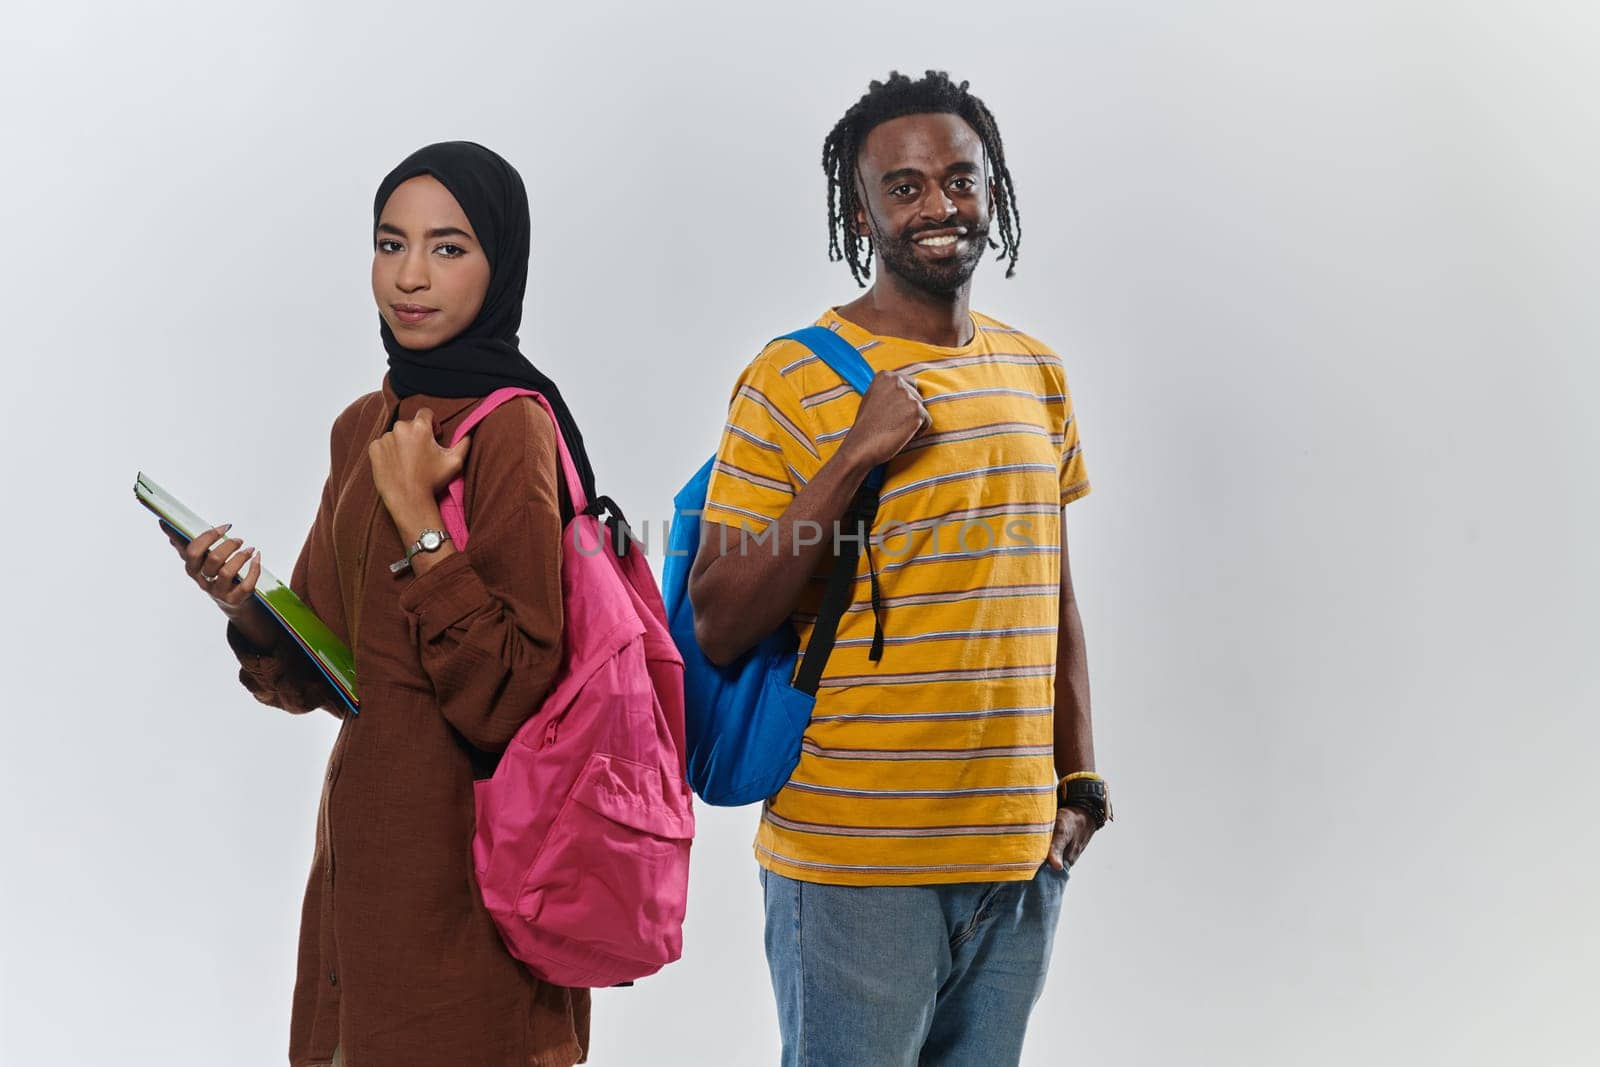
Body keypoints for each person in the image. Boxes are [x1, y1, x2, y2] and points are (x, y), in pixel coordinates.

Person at [688, 71, 1108, 1066]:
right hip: (853, 861)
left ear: (992, 190)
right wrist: (853, 451)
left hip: (1015, 859)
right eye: (906, 186)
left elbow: (1050, 589)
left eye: (959, 180)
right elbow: (719, 615)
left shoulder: (1035, 374)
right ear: (860, 206)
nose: (938, 207)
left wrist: (1079, 780)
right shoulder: (789, 378)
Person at [162, 141, 595, 1067]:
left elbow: (510, 692)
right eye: (389, 243)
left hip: (473, 888)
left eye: (448, 248)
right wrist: (244, 603)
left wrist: (418, 522)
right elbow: (331, 667)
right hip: (364, 873)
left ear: (502, 263)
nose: (409, 276)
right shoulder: (366, 422)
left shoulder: (514, 425)